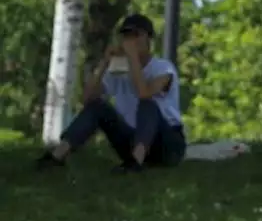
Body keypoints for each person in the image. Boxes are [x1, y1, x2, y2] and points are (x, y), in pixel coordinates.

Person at [36, 13, 187, 172]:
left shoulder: (163, 68)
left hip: (167, 143)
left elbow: (144, 93)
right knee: (98, 107)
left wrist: (133, 58)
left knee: (148, 105)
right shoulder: (118, 72)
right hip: (132, 139)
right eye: (126, 36)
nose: (131, 41)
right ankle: (57, 156)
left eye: (136, 35)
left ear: (149, 39)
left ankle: (136, 162)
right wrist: (104, 63)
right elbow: (88, 99)